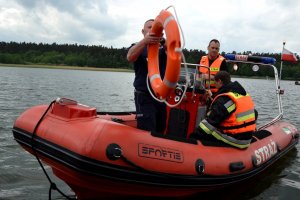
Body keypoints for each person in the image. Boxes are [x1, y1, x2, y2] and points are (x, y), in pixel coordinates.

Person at [194, 71, 256, 149]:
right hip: (247, 137)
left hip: (237, 140)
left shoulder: (224, 99)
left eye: (215, 82)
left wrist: (192, 137)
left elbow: (207, 125)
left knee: (207, 130)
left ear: (219, 81)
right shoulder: (241, 93)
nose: (214, 85)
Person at [127, 19, 167, 133]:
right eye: (149, 27)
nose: (152, 29)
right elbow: (130, 57)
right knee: (147, 128)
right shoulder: (138, 46)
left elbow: (175, 52)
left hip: (160, 96)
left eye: (155, 27)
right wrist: (145, 41)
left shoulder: (164, 49)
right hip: (144, 96)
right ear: (143, 31)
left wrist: (163, 40)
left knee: (160, 128)